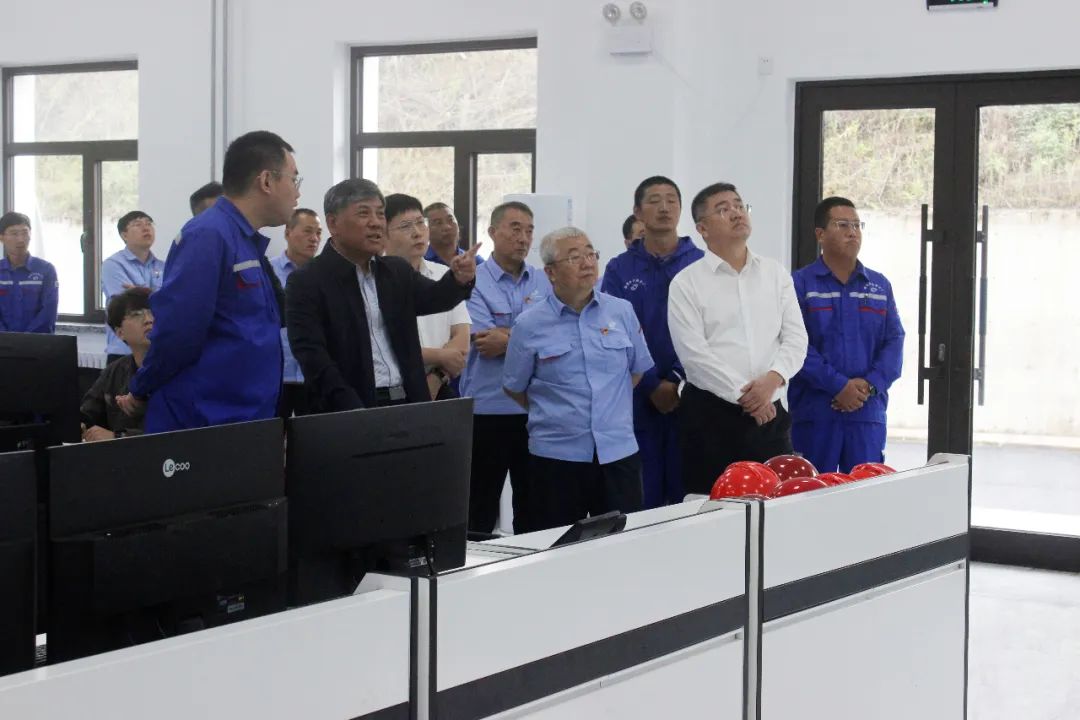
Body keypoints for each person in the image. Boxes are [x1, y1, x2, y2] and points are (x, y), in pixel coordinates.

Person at [120, 130, 300, 432]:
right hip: (205, 420)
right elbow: (178, 331)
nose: (297, 192)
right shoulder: (208, 235)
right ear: (266, 181)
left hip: (246, 416)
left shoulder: (243, 239)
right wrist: (141, 388)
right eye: (294, 179)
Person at [504, 227, 653, 531]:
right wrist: (558, 412)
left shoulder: (621, 311)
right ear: (550, 272)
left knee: (621, 545)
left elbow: (636, 371)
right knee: (555, 546)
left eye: (590, 254)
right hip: (556, 457)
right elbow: (515, 387)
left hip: (617, 453)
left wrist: (606, 406)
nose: (587, 263)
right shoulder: (528, 325)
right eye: (574, 257)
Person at [285, 179, 477, 412]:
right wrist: (351, 408)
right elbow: (312, 356)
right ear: (333, 223)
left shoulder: (395, 271)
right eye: (364, 213)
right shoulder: (307, 281)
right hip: (348, 410)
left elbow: (436, 297)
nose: (376, 223)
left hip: (409, 404)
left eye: (380, 214)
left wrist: (458, 279)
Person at [669, 182, 808, 495]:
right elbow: (694, 356)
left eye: (739, 205)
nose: (735, 213)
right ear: (702, 228)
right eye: (723, 209)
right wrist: (748, 396)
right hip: (711, 416)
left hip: (770, 412)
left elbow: (796, 338)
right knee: (712, 506)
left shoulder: (775, 274)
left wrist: (772, 381)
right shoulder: (686, 283)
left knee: (777, 503)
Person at [602, 176, 703, 507]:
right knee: (640, 498)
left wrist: (676, 378)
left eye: (672, 200)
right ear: (637, 212)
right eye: (654, 200)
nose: (664, 207)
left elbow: (709, 331)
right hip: (636, 396)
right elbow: (614, 331)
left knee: (688, 496)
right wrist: (650, 383)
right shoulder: (619, 268)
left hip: (690, 394)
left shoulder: (701, 264)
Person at [790, 197, 904, 473]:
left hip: (866, 412)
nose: (852, 232)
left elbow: (894, 341)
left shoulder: (879, 285)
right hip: (816, 412)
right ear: (820, 234)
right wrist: (838, 386)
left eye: (856, 225)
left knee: (866, 488)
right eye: (842, 225)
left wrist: (868, 385)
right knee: (813, 488)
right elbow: (794, 343)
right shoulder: (799, 284)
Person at [458, 201, 550, 534]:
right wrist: (532, 338)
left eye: (529, 230)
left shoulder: (543, 280)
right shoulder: (473, 281)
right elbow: (485, 342)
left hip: (535, 410)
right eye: (515, 228)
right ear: (493, 232)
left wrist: (509, 338)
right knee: (478, 508)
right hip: (487, 409)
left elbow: (557, 336)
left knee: (534, 507)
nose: (523, 237)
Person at [384, 193, 470, 401]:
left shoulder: (443, 274)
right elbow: (385, 347)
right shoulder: (378, 280)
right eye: (405, 226)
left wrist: (437, 377)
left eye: (420, 223)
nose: (417, 233)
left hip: (440, 387)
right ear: (383, 234)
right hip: (394, 391)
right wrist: (440, 355)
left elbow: (462, 336)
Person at [80, 288, 154, 441]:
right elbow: (88, 412)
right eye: (136, 314)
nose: (148, 319)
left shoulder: (176, 370)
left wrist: (119, 437)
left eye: (152, 312)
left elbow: (174, 432)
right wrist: (80, 424)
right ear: (120, 333)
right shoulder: (114, 371)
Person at [270, 208, 322, 418]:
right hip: (277, 373)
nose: (314, 238)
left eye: (318, 233)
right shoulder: (269, 271)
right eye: (308, 231)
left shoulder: (324, 275)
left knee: (314, 434)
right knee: (271, 433)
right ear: (288, 232)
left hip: (314, 373)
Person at [100, 210, 165, 364]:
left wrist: (140, 291)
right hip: (124, 351)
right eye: (138, 224)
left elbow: (173, 302)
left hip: (156, 348)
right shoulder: (113, 265)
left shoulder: (164, 266)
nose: (146, 228)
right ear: (124, 235)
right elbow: (127, 304)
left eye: (149, 224)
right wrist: (159, 296)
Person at [0, 212, 58, 334]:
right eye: (14, 234)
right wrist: (6, 338)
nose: (21, 239)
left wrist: (26, 340)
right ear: (2, 237)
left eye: (25, 233)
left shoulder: (46, 270)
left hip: (37, 341)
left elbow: (49, 312)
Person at [423, 202, 484, 267]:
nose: (447, 227)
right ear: (426, 230)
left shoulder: (475, 262)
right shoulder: (420, 261)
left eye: (450, 220)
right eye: (438, 223)